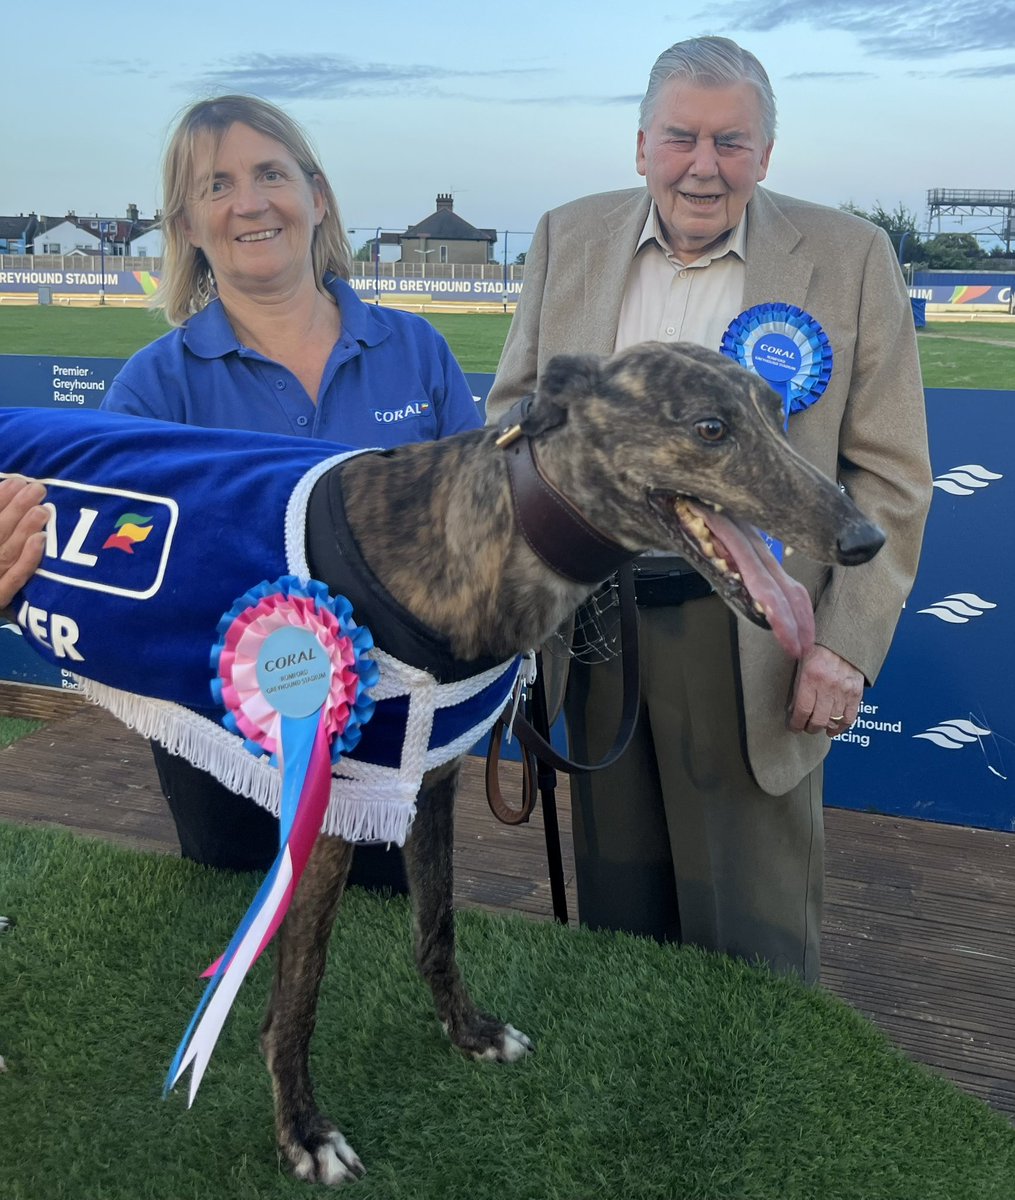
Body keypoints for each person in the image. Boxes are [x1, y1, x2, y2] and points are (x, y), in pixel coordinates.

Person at [485, 36, 932, 981]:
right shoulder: (567, 235)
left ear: (765, 155)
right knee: (619, 922)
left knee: (752, 943)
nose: (702, 166)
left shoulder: (849, 257)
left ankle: (759, 1121)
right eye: (681, 137)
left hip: (755, 635)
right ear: (641, 143)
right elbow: (512, 419)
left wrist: (843, 647)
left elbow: (891, 475)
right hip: (596, 623)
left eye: (731, 143)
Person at [5, 95, 482, 886]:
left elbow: (477, 531)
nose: (249, 203)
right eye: (215, 186)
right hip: (222, 748)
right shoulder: (154, 387)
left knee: (382, 952)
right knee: (239, 937)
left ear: (316, 195)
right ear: (187, 225)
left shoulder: (417, 351)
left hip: (395, 741)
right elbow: (103, 567)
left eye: (270, 174)